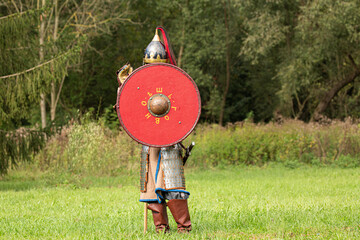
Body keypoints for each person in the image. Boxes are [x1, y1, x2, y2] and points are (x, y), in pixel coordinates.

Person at [116, 27, 192, 233]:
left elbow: (186, 106)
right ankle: (161, 229)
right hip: (148, 142)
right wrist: (125, 87)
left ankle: (184, 228)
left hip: (170, 140)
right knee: (151, 187)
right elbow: (128, 109)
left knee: (173, 186)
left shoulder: (173, 83)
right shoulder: (141, 82)